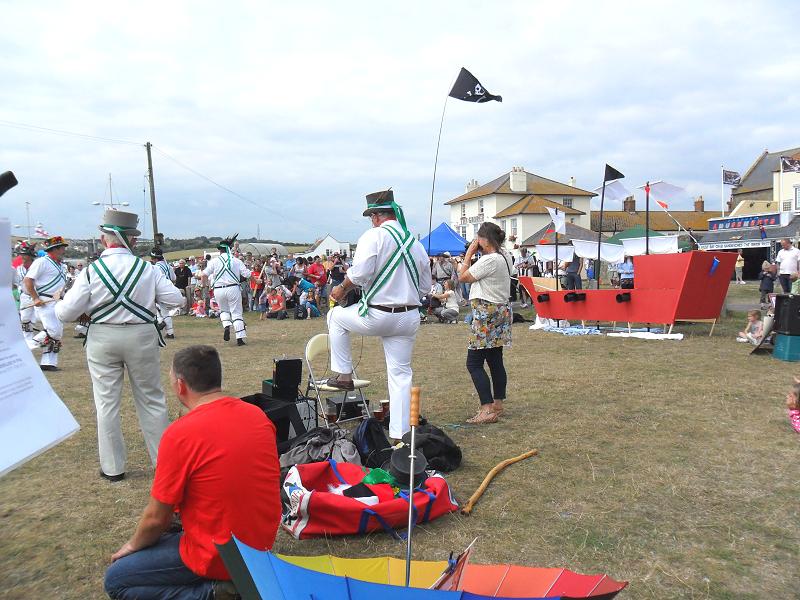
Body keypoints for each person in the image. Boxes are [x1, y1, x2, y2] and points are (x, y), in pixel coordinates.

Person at [104, 345, 282, 600]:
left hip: (219, 554)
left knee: (117, 580)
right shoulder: (257, 415)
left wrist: (132, 545)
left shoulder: (180, 434)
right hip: (259, 546)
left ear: (180, 385)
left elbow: (157, 518)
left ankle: (215, 592)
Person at [56, 210, 184, 481]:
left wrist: (61, 303)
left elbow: (66, 313)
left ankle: (113, 468)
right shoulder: (147, 269)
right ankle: (163, 464)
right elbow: (176, 300)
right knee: (151, 399)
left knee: (106, 402)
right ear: (132, 241)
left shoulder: (91, 271)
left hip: (103, 337)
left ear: (105, 240)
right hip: (141, 336)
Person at [327, 189, 432, 441]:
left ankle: (344, 375)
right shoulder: (414, 243)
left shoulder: (373, 236)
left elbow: (360, 274)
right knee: (400, 374)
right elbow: (426, 288)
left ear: (375, 217)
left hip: (378, 315)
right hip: (408, 318)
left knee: (335, 318)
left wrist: (340, 289)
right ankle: (401, 433)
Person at [457, 222, 513, 425]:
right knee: (495, 359)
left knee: (473, 363)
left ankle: (487, 408)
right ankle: (497, 404)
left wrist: (469, 254)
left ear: (483, 240)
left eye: (477, 239)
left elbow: (463, 277)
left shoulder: (489, 260)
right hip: (500, 311)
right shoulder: (505, 255)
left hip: (486, 313)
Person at [24, 235, 69, 371]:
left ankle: (48, 363)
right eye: (62, 248)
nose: (64, 250)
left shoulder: (61, 265)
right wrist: (35, 298)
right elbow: (28, 280)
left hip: (58, 301)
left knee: (57, 333)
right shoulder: (41, 262)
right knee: (53, 331)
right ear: (54, 249)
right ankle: (25, 348)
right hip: (45, 301)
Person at [203, 235, 252, 346]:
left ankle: (226, 326)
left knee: (224, 310)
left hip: (218, 290)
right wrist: (256, 280)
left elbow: (204, 274)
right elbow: (247, 274)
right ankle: (239, 339)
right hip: (233, 288)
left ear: (220, 250)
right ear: (229, 249)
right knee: (236, 313)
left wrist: (205, 286)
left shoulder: (214, 261)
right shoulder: (236, 261)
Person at [13, 241, 38, 346]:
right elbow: (15, 283)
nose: (22, 256)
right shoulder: (18, 269)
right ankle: (28, 340)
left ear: (30, 256)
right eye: (21, 254)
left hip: (38, 296)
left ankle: (46, 336)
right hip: (25, 296)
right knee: (25, 318)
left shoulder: (37, 266)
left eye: (24, 255)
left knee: (40, 317)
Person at [149, 247, 177, 339]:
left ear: (155, 258)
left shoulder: (155, 267)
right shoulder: (169, 266)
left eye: (152, 258)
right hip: (168, 290)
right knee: (165, 312)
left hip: (159, 291)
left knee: (153, 307)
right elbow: (173, 278)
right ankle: (170, 332)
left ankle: (161, 322)